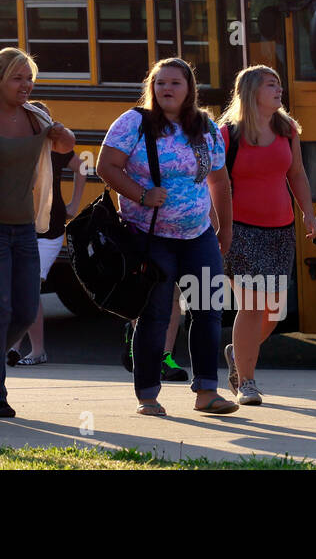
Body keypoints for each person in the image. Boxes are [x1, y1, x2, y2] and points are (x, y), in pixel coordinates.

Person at [98, 57, 236, 416]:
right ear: (152, 88)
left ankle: (207, 391)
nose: (167, 89)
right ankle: (148, 395)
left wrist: (225, 229)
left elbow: (219, 180)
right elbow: (106, 166)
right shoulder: (133, 123)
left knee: (208, 310)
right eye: (160, 83)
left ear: (190, 89)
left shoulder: (205, 126)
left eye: (175, 83)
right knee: (156, 314)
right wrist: (141, 195)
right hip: (150, 236)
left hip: (199, 235)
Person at [0, 49, 74, 418]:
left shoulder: (36, 114)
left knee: (25, 311)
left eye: (30, 78)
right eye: (17, 78)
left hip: (25, 227)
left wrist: (61, 132)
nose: (26, 85)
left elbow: (66, 147)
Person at [218, 66, 316, 405]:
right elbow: (212, 184)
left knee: (274, 312)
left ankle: (239, 351)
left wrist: (309, 212)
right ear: (251, 91)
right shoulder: (227, 133)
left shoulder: (287, 129)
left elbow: (298, 173)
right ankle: (247, 381)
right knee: (251, 305)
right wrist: (218, 228)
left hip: (280, 229)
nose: (279, 90)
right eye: (271, 85)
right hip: (240, 229)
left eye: (279, 84)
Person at [10, 145, 84, 366]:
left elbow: (82, 168)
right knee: (23, 288)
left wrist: (75, 203)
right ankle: (19, 347)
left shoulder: (56, 150)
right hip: (22, 227)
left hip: (50, 229)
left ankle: (29, 349)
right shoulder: (19, 147)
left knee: (28, 287)